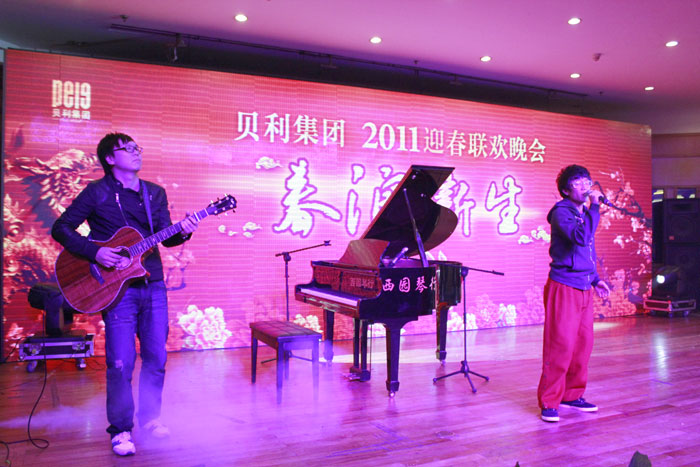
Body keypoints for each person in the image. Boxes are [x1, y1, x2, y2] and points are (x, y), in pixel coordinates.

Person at [52, 132, 199, 455]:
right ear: (110, 158)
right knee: (120, 362)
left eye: (137, 148)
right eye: (127, 149)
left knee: (156, 357)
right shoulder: (97, 192)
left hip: (153, 283)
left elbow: (167, 238)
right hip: (115, 289)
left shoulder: (154, 193)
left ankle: (151, 419)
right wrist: (95, 253)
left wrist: (184, 230)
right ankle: (120, 430)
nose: (135, 152)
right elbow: (60, 227)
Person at [537, 164, 610, 423]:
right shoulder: (562, 212)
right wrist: (595, 206)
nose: (585, 186)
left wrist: (595, 279)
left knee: (582, 345)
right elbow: (581, 238)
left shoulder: (584, 213)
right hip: (564, 286)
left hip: (584, 286)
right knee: (561, 344)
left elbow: (586, 252)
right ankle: (550, 401)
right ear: (566, 190)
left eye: (587, 181)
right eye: (578, 183)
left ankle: (572, 394)